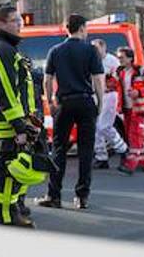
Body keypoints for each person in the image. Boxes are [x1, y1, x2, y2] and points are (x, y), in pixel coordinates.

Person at [39, 14, 105, 210]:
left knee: (59, 149)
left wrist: (50, 100)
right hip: (85, 101)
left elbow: (47, 79)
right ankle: (82, 196)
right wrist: (100, 102)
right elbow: (98, 79)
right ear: (82, 28)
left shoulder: (55, 50)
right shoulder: (91, 50)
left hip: (64, 103)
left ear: (67, 29)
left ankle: (54, 195)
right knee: (86, 150)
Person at [0, 5, 37, 226]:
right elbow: (5, 91)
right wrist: (18, 124)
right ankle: (5, 215)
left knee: (15, 169)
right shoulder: (1, 50)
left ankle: (13, 209)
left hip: (19, 120)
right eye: (15, 21)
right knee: (7, 169)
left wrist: (30, 117)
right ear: (0, 24)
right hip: (10, 123)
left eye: (20, 21)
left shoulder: (8, 49)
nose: (20, 25)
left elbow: (21, 88)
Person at [117, 47, 144, 174]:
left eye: (122, 57)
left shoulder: (142, 71)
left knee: (134, 135)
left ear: (130, 58)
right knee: (131, 135)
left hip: (139, 108)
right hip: (127, 109)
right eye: (119, 57)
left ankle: (130, 165)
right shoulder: (121, 72)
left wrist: (138, 92)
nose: (119, 60)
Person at [90, 40, 128, 169]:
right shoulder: (91, 60)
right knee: (96, 128)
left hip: (109, 95)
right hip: (95, 95)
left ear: (103, 47)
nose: (95, 51)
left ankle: (123, 149)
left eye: (97, 48)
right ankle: (101, 157)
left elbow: (118, 78)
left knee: (104, 126)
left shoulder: (112, 61)